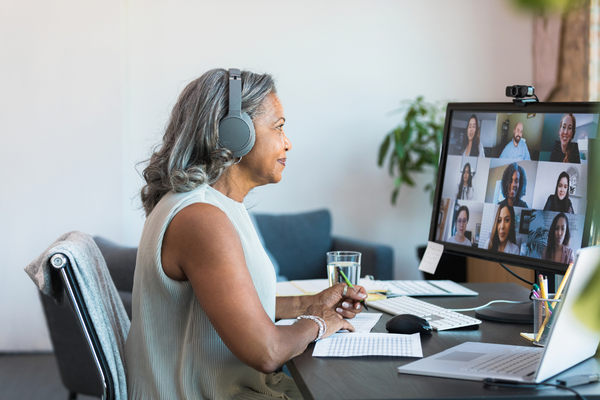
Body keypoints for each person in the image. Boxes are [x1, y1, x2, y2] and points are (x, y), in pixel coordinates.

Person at [125, 69, 367, 400]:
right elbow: (266, 352)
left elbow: (232, 307)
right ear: (235, 133)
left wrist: (308, 303)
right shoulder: (202, 220)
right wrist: (319, 322)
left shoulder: (213, 205)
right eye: (279, 127)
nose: (288, 142)